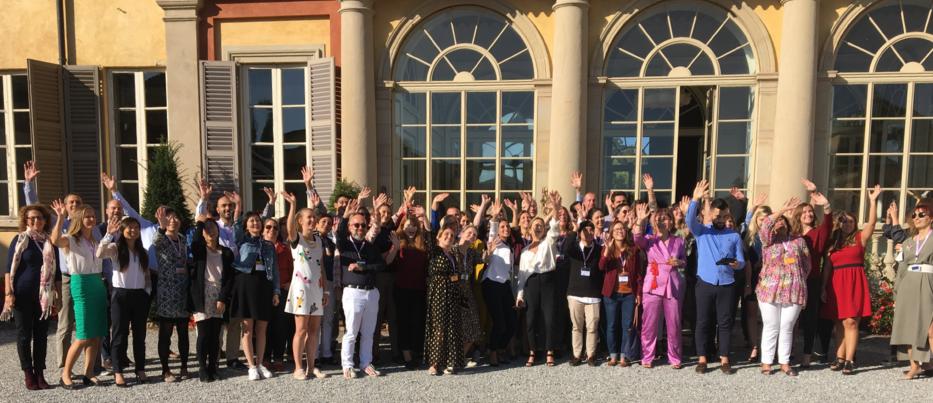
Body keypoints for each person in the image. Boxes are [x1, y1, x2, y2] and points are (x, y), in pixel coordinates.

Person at [686, 180, 745, 374]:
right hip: (705, 283)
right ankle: (702, 358)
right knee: (703, 321)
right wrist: (695, 199)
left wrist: (737, 264)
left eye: (724, 216)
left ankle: (724, 358)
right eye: (717, 216)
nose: (720, 219)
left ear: (728, 215)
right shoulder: (702, 232)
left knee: (725, 322)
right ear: (711, 214)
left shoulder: (734, 236)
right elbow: (689, 221)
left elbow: (741, 260)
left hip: (727, 284)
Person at [821, 185, 880, 375]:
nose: (847, 224)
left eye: (851, 221)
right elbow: (827, 267)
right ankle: (839, 357)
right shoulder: (833, 242)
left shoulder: (859, 238)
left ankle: (849, 360)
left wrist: (873, 201)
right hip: (836, 283)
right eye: (844, 221)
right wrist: (823, 287)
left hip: (854, 282)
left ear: (855, 224)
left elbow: (872, 223)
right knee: (839, 323)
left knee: (851, 322)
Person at [49, 201, 106, 389]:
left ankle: (89, 373)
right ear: (79, 219)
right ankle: (65, 374)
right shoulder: (71, 239)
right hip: (81, 283)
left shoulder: (95, 240)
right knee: (83, 334)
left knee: (95, 334)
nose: (91, 219)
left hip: (97, 283)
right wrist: (60, 217)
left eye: (93, 216)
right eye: (87, 216)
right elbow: (55, 240)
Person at [194, 177, 247, 370]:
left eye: (230, 206)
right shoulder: (212, 228)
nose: (227, 208)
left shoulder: (238, 228)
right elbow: (198, 220)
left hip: (236, 278)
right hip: (216, 279)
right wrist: (203, 198)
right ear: (217, 209)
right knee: (214, 321)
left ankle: (232, 357)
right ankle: (214, 356)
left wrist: (239, 205)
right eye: (224, 206)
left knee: (234, 321)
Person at [337, 196, 392, 379]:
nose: (360, 228)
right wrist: (346, 216)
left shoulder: (369, 246)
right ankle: (347, 365)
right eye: (356, 225)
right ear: (350, 227)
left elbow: (381, 265)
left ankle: (366, 363)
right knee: (351, 332)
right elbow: (339, 233)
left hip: (371, 293)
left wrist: (364, 267)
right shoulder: (345, 244)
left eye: (362, 225)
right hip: (353, 292)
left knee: (369, 332)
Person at [2, 204, 56, 390]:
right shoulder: (19, 239)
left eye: (39, 217)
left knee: (41, 336)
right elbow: (8, 269)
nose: (36, 221)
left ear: (45, 221)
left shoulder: (49, 242)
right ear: (26, 220)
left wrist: (57, 296)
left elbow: (55, 272)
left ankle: (40, 373)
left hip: (43, 297)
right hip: (21, 294)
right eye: (32, 218)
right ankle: (28, 373)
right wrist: (8, 293)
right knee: (24, 335)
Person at [756, 198, 811, 376]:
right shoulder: (768, 241)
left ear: (788, 224)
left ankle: (785, 362)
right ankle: (766, 362)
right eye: (777, 221)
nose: (779, 222)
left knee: (787, 326)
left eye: (782, 220)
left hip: (794, 290)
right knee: (771, 325)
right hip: (769, 290)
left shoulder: (798, 241)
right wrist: (780, 211)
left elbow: (807, 264)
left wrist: (798, 279)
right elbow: (765, 225)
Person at [97, 216, 151, 387]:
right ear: (122, 230)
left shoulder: (142, 251)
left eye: (136, 227)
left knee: (140, 335)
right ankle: (118, 371)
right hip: (120, 294)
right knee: (119, 334)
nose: (133, 230)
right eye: (129, 227)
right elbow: (99, 254)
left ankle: (140, 369)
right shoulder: (115, 248)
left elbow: (146, 274)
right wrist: (108, 235)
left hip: (139, 295)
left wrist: (147, 291)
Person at [282, 191, 329, 380]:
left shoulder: (319, 241)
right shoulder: (297, 239)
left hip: (316, 289)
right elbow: (290, 229)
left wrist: (325, 290)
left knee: (314, 330)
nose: (312, 220)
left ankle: (311, 367)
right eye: (308, 217)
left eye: (313, 217)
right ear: (300, 221)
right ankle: (298, 368)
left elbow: (321, 266)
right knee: (301, 330)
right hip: (301, 290)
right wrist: (293, 205)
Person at [633, 204, 686, 369]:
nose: (662, 221)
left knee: (674, 323)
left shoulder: (679, 241)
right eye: (658, 219)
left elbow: (685, 261)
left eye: (665, 218)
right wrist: (640, 220)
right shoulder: (650, 240)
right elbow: (636, 239)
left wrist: (679, 262)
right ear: (654, 222)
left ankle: (675, 357)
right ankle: (647, 356)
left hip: (672, 284)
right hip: (653, 283)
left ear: (671, 222)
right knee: (649, 323)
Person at [231, 209, 281, 381]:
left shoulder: (268, 245)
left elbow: (275, 270)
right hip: (246, 283)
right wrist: (238, 207)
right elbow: (236, 227)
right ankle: (251, 366)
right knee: (247, 327)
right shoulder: (242, 240)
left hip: (264, 285)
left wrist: (276, 291)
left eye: (258, 220)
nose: (255, 223)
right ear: (246, 225)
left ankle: (260, 363)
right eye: (251, 221)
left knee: (262, 328)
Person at [515, 191, 563, 367]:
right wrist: (519, 296)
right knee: (531, 319)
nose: (538, 227)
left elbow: (555, 228)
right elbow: (522, 276)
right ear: (529, 229)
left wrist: (556, 208)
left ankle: (549, 350)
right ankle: (532, 351)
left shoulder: (548, 242)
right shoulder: (525, 251)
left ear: (544, 229)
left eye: (541, 225)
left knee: (549, 318)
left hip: (548, 281)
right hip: (531, 284)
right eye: (535, 225)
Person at [890, 200, 933, 379]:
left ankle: (928, 362)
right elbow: (901, 268)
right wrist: (896, 292)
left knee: (930, 329)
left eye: (922, 214)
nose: (917, 218)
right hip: (908, 284)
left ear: (931, 218)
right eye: (914, 215)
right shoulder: (908, 242)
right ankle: (914, 366)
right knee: (908, 326)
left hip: (928, 283)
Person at [794, 179, 835, 367]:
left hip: (811, 280)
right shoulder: (793, 234)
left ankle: (807, 354)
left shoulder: (818, 233)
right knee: (791, 319)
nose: (808, 214)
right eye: (804, 212)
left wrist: (825, 205)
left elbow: (828, 224)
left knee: (810, 319)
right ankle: (787, 353)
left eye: (810, 212)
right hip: (793, 281)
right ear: (798, 216)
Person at [424, 222, 473, 375]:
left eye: (452, 235)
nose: (449, 237)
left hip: (452, 294)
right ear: (439, 237)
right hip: (438, 294)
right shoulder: (435, 251)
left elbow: (455, 276)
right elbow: (429, 237)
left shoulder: (452, 255)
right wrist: (425, 219)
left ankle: (448, 362)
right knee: (439, 328)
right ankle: (434, 364)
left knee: (452, 329)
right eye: (446, 234)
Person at [190, 215, 234, 383]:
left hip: (218, 293)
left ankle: (213, 367)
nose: (210, 231)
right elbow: (195, 242)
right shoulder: (200, 250)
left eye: (213, 227)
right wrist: (200, 223)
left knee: (215, 334)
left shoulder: (226, 252)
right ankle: (202, 368)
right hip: (202, 294)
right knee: (203, 333)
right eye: (206, 228)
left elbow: (229, 278)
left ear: (218, 230)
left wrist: (223, 298)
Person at [153, 207, 192, 383]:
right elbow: (155, 241)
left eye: (176, 217)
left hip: (182, 292)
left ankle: (184, 366)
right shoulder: (161, 238)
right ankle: (165, 370)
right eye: (169, 218)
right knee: (165, 333)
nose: (173, 221)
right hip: (167, 293)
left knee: (183, 332)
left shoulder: (183, 239)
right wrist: (161, 227)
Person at [392, 203, 430, 369]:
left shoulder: (422, 244)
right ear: (402, 227)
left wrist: (425, 216)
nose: (411, 229)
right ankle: (406, 355)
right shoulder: (397, 242)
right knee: (404, 322)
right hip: (402, 288)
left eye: (414, 226)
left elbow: (431, 234)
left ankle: (415, 352)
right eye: (408, 225)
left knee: (417, 322)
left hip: (419, 288)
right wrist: (404, 207)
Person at [599, 220, 641, 367]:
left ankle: (624, 356)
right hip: (611, 294)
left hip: (629, 293)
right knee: (611, 325)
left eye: (622, 228)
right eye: (616, 229)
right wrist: (606, 251)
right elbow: (601, 267)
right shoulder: (607, 249)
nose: (619, 231)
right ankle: (612, 356)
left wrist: (638, 293)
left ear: (626, 231)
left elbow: (638, 274)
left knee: (627, 326)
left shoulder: (633, 249)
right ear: (611, 232)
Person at [482, 200, 518, 367]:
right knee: (500, 322)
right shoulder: (494, 241)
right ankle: (493, 352)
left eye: (507, 227)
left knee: (512, 322)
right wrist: (495, 217)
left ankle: (501, 348)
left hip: (505, 285)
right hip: (491, 283)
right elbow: (493, 229)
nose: (506, 229)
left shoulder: (509, 246)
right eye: (502, 227)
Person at [563, 220, 603, 366]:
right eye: (585, 230)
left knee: (592, 327)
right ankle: (577, 355)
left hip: (593, 294)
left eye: (591, 230)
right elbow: (566, 248)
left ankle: (591, 355)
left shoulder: (599, 249)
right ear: (580, 233)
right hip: (575, 293)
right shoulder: (574, 248)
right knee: (577, 326)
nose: (588, 232)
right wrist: (574, 230)